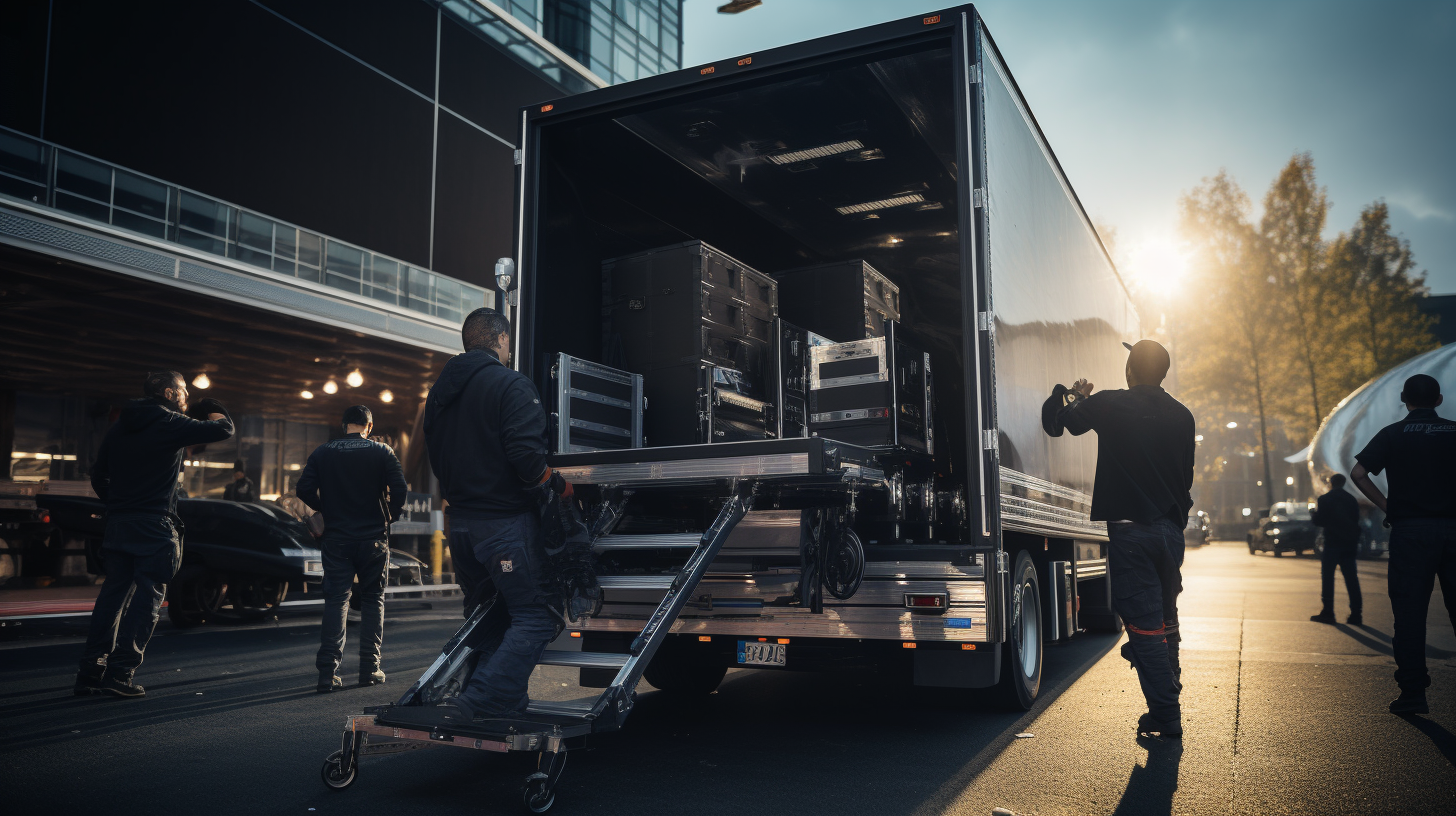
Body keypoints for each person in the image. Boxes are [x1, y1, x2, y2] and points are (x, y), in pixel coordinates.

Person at [1042, 339, 1194, 738]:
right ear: (1163, 373)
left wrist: (1071, 395)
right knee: (1166, 620)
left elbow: (1057, 423)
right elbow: (1186, 476)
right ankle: (1168, 681)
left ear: (1130, 370)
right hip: (1170, 531)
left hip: (1130, 532)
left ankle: (1166, 713)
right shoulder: (1183, 416)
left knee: (1144, 627)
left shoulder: (1110, 403)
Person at [424, 307, 571, 722]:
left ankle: (498, 697)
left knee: (485, 614)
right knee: (537, 616)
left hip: (463, 526)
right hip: (504, 525)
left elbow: (435, 456)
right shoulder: (510, 385)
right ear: (502, 340)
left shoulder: (439, 393)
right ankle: (484, 699)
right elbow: (526, 457)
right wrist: (556, 484)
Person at [76, 371, 234, 698]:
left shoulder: (119, 426)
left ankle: (90, 673)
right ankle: (120, 673)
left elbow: (98, 474)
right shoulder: (169, 422)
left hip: (120, 523)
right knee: (148, 597)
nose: (186, 396)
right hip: (154, 524)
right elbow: (224, 429)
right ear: (168, 393)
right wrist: (213, 406)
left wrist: (119, 504)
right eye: (184, 391)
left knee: (112, 597)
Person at [1349, 373, 1456, 715]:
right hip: (1454, 529)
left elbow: (1358, 474)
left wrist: (1388, 507)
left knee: (1410, 615)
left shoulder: (1392, 435)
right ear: (1438, 400)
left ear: (1403, 400)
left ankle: (1413, 693)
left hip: (1410, 531)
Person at [296, 405, 407, 693]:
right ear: (368, 426)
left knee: (336, 601)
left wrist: (327, 507)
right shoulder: (382, 451)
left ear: (344, 425)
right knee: (372, 600)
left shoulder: (323, 452)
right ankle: (370, 669)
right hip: (373, 539)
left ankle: (327, 674)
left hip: (337, 538)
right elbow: (400, 488)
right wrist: (388, 515)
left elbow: (303, 489)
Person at [1310, 474, 1363, 625]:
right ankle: (1356, 613)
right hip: (1348, 544)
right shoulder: (1351, 500)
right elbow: (1356, 520)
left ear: (1331, 483)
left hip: (1332, 543)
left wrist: (1313, 515)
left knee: (1328, 577)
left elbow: (1320, 521)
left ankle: (1328, 612)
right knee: (1351, 578)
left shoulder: (1325, 499)